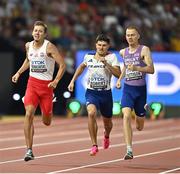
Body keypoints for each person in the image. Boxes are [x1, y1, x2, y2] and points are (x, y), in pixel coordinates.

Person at [12, 21, 66, 161]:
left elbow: (63, 65)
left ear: (45, 34)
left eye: (40, 31)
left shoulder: (50, 47)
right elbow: (28, 60)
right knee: (29, 114)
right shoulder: (28, 45)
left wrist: (55, 81)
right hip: (32, 85)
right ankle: (29, 150)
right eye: (35, 30)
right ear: (32, 32)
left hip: (47, 87)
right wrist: (18, 73)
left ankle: (48, 111)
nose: (37, 33)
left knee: (46, 121)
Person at [68, 34, 121, 156]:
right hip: (91, 92)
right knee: (91, 113)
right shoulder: (89, 56)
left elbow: (118, 74)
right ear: (96, 45)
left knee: (107, 123)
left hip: (106, 94)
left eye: (104, 45)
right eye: (99, 45)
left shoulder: (112, 57)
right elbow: (81, 67)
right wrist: (72, 81)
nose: (101, 48)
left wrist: (107, 64)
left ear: (108, 46)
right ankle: (94, 145)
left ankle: (106, 136)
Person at [116, 26, 155, 160]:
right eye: (128, 35)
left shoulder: (144, 50)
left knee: (139, 126)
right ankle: (129, 150)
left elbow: (151, 69)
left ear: (138, 36)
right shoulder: (123, 52)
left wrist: (137, 67)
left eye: (132, 35)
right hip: (128, 89)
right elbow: (126, 66)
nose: (130, 37)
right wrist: (120, 80)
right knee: (126, 115)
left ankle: (143, 111)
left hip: (140, 91)